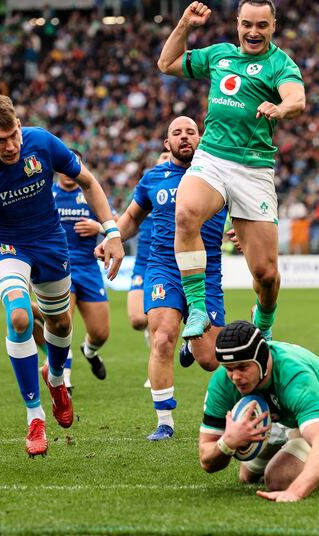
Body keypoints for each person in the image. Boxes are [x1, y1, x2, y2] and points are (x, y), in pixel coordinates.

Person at [0, 94, 124, 456]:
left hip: (49, 241)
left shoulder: (41, 142)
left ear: (20, 127)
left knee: (60, 324)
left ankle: (55, 380)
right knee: (20, 315)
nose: (10, 146)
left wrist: (111, 232)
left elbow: (88, 181)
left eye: (13, 136)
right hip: (2, 244)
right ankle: (34, 417)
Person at [157, 0, 306, 341]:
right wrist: (185, 26)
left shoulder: (279, 64)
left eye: (262, 25)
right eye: (247, 24)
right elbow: (166, 63)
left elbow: (297, 99)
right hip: (212, 158)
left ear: (273, 26)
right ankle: (197, 307)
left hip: (254, 169)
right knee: (187, 213)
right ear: (237, 23)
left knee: (266, 274)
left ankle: (264, 321)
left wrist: (281, 109)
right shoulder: (219, 55)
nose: (254, 32)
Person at [102, 116, 224, 441]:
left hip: (205, 271)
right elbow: (130, 218)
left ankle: (193, 343)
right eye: (177, 133)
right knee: (162, 337)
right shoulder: (153, 178)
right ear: (166, 144)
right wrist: (113, 237)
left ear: (201, 139)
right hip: (163, 268)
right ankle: (165, 421)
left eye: (191, 132)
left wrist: (241, 232)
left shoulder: (218, 175)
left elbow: (242, 213)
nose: (185, 137)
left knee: (210, 360)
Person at [199, 320, 319, 502]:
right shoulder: (222, 382)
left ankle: (292, 450)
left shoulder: (295, 377)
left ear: (262, 359)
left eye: (243, 367)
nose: (235, 377)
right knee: (247, 477)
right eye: (229, 368)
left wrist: (296, 492)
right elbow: (206, 459)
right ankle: (287, 447)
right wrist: (227, 443)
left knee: (278, 479)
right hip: (280, 414)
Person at [29, 148, 110, 394]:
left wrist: (98, 226)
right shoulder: (47, 194)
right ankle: (64, 378)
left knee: (100, 333)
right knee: (65, 324)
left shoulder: (90, 193)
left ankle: (90, 350)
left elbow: (115, 224)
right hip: (58, 267)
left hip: (89, 267)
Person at [130, 150, 170, 389]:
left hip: (171, 262)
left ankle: (156, 366)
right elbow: (129, 218)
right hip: (144, 260)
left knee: (165, 320)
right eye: (161, 158)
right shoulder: (147, 188)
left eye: (169, 157)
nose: (166, 160)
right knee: (137, 319)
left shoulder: (185, 188)